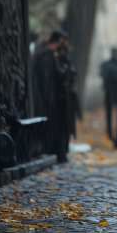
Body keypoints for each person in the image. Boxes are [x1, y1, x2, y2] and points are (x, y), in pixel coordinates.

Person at [32, 29, 81, 162]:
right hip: (49, 102)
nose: (66, 45)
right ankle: (52, 152)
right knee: (51, 128)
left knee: (63, 128)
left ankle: (61, 153)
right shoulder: (44, 56)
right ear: (58, 41)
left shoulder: (63, 56)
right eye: (63, 42)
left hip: (63, 102)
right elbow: (45, 80)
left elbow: (71, 74)